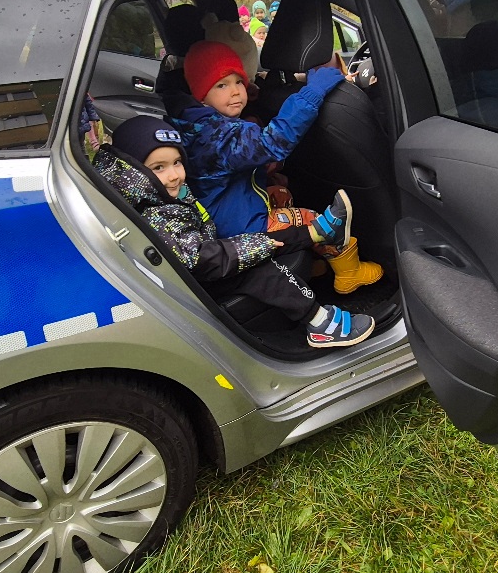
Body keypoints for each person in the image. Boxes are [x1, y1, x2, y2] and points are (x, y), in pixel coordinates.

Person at [94, 115, 376, 348]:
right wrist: (254, 248)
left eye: (177, 162)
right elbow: (199, 260)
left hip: (203, 260)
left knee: (258, 242)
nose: (174, 175)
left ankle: (317, 232)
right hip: (199, 280)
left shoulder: (157, 196)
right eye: (159, 167)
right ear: (135, 171)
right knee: (262, 268)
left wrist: (251, 244)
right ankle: (320, 323)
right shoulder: (156, 213)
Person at [170, 40, 383, 295]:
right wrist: (312, 91)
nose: (235, 92)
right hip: (241, 230)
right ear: (201, 95)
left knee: (282, 194)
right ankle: (350, 273)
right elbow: (273, 142)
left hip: (227, 212)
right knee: (315, 219)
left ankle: (314, 264)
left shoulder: (195, 122)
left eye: (239, 82)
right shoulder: (218, 135)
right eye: (221, 85)